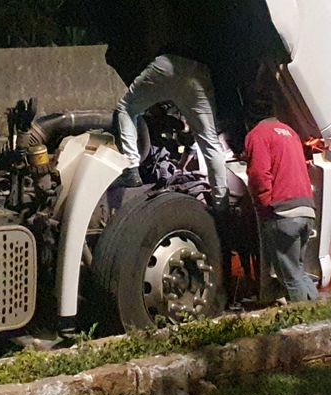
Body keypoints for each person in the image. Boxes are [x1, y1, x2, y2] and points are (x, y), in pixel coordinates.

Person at [113, 53, 231, 199]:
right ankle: (221, 203)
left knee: (126, 109)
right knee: (210, 141)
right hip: (197, 70)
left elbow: (189, 142)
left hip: (168, 63)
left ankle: (131, 169)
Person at [243, 99, 319, 303]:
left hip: (283, 212)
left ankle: (302, 318)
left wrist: (265, 205)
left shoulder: (257, 135)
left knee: (290, 277)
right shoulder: (290, 133)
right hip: (306, 209)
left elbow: (259, 174)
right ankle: (319, 310)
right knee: (298, 270)